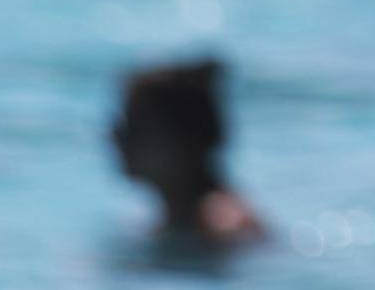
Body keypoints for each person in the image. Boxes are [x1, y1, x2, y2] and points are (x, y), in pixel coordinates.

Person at [113, 59, 265, 248]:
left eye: (134, 130)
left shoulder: (223, 225)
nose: (117, 140)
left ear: (187, 140)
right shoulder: (186, 219)